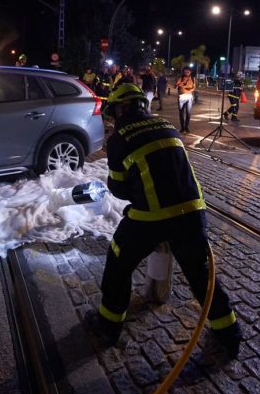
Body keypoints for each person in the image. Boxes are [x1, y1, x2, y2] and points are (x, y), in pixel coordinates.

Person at [85, 83, 242, 357]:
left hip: (150, 217)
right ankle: (229, 333)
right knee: (200, 275)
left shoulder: (119, 138)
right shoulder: (166, 125)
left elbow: (119, 189)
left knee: (118, 264)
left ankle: (108, 325)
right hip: (192, 213)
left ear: (120, 109)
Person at [176, 67, 196, 133]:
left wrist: (190, 90)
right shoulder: (180, 78)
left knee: (188, 113)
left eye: (188, 72)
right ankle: (182, 128)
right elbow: (175, 86)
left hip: (189, 97)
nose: (186, 73)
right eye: (185, 72)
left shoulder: (193, 79)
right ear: (183, 72)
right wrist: (183, 82)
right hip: (181, 97)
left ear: (190, 72)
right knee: (181, 113)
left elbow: (194, 87)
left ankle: (186, 127)